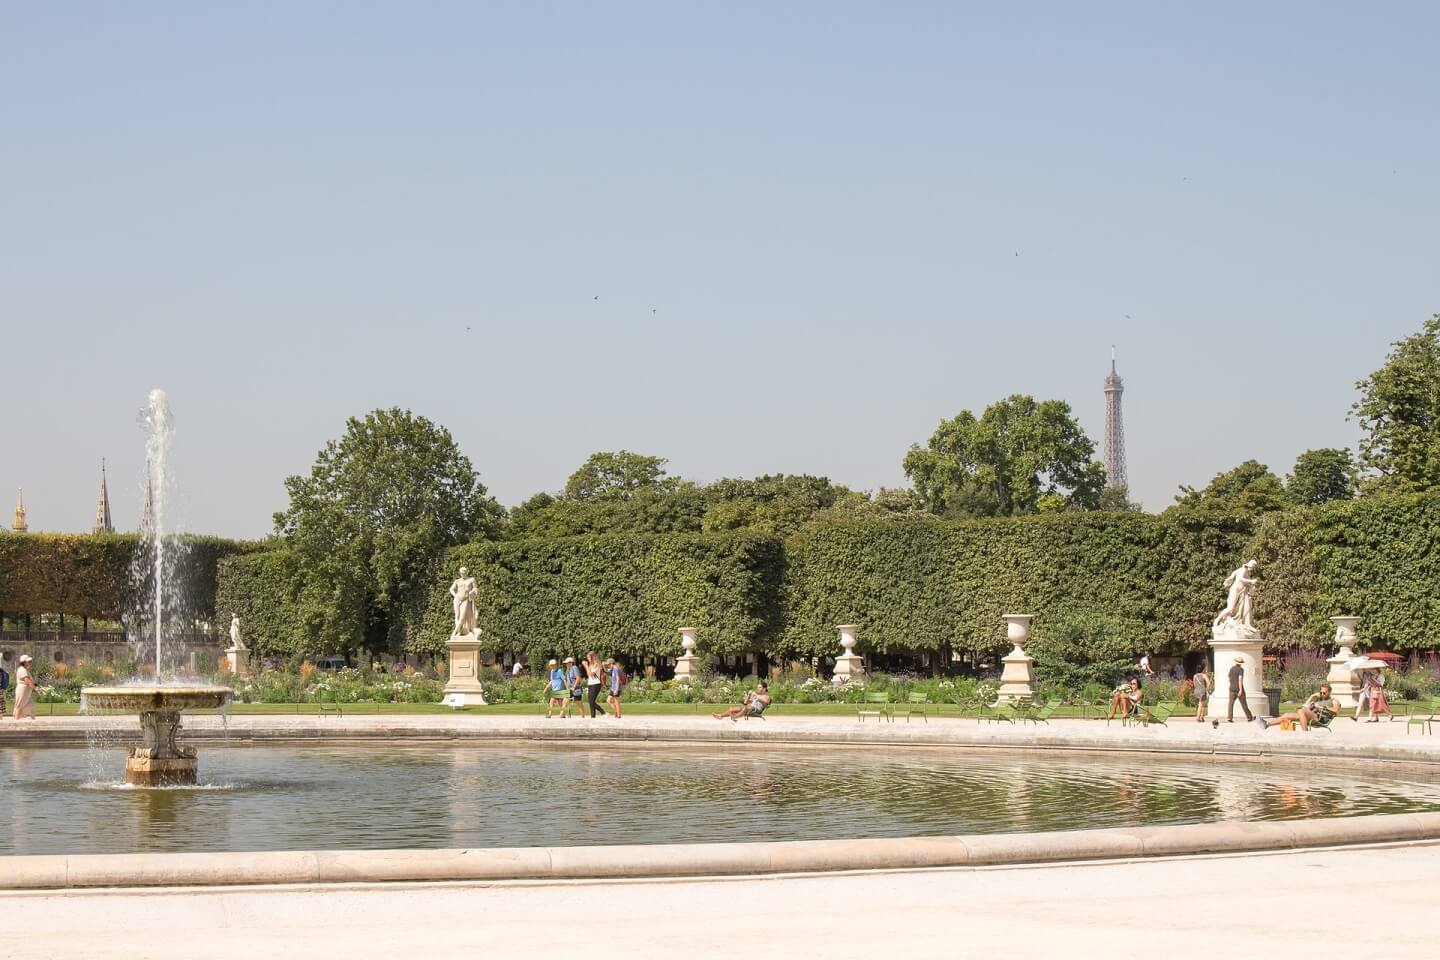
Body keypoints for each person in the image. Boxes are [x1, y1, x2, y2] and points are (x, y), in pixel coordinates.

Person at [1257, 684, 1340, 732]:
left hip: (1320, 718)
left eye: (1324, 693)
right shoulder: (1318, 699)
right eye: (1321, 692)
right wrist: (1311, 697)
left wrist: (1321, 707)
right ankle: (1266, 724)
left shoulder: (1334, 700)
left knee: (1301, 711)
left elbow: (1335, 711)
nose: (1322, 694)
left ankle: (1305, 733)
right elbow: (1305, 706)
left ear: (1329, 692)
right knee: (1287, 715)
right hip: (1310, 715)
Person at [1226, 655, 1253, 722]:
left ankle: (1229, 717)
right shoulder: (1241, 669)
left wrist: (1231, 683)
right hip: (1238, 688)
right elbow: (1240, 679)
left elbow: (1229, 676)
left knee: (1231, 703)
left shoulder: (1232, 668)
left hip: (1232, 688)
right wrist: (1240, 689)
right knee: (1243, 703)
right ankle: (1249, 717)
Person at [12, 654, 37, 721]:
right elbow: (27, 680)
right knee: (19, 706)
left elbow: (30, 681)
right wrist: (35, 688)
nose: (30, 662)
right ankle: (16, 721)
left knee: (30, 706)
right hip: (22, 690)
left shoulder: (25, 670)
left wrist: (35, 686)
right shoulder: (22, 669)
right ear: (24, 662)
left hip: (26, 691)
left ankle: (34, 722)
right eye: (28, 661)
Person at [583, 651, 606, 718]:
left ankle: (603, 712)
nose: (588, 659)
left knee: (592, 702)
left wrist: (586, 666)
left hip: (596, 684)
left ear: (592, 657)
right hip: (591, 684)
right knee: (590, 702)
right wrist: (587, 666)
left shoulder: (596, 664)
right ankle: (593, 716)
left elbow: (591, 675)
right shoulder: (591, 665)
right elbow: (588, 674)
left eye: (588, 657)